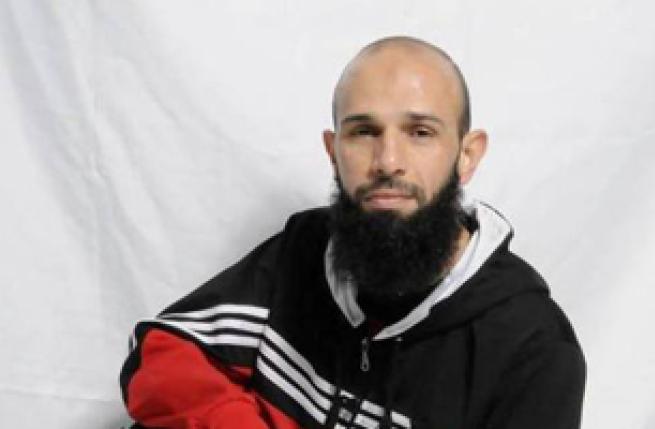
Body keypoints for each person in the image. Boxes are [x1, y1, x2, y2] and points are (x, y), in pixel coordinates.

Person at [120, 36, 586, 429]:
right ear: (333, 150)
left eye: (420, 132)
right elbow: (163, 358)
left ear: (467, 155)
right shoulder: (305, 249)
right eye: (363, 132)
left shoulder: (533, 348)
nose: (388, 161)